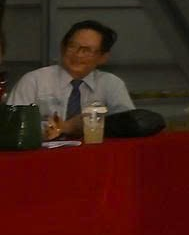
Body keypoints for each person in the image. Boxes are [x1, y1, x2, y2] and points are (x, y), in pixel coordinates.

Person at [6, 20, 134, 144]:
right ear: (62, 47)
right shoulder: (33, 81)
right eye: (72, 46)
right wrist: (55, 129)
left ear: (103, 57)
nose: (78, 55)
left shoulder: (112, 84)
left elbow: (130, 125)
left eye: (86, 50)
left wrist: (86, 125)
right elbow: (10, 127)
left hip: (94, 155)